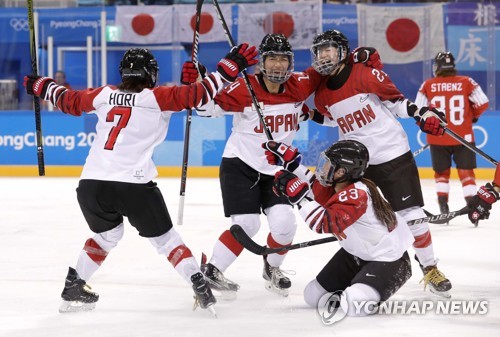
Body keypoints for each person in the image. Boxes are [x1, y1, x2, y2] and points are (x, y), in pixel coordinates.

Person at [23, 45, 258, 314]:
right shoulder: (158, 97)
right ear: (151, 74)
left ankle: (75, 283)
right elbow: (198, 94)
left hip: (91, 185)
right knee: (167, 241)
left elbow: (69, 101)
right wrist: (230, 66)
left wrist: (42, 85)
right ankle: (198, 282)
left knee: (107, 235)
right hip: (134, 186)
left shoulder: (104, 94)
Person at [181, 34, 382, 298]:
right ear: (261, 62)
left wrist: (358, 57)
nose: (278, 65)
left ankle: (271, 268)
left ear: (291, 62)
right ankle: (213, 269)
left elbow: (328, 65)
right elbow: (206, 109)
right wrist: (199, 82)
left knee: (286, 225)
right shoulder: (244, 88)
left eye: (283, 59)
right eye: (272, 59)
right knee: (247, 224)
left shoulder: (301, 83)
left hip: (277, 169)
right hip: (241, 164)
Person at [306, 29, 452, 297]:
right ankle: (370, 262)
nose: (324, 55)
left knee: (414, 220)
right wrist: (309, 114)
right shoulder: (322, 94)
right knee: (369, 223)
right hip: (357, 167)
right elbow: (334, 118)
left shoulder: (365, 73)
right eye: (319, 51)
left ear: (341, 51)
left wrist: (422, 113)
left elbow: (395, 102)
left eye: (329, 49)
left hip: (392, 155)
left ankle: (429, 266)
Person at [263, 139, 414, 316]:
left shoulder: (356, 195)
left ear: (342, 171)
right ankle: (361, 283)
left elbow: (323, 222)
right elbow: (312, 186)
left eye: (329, 164)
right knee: (313, 296)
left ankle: (365, 287)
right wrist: (291, 163)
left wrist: (299, 197)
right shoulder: (340, 187)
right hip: (357, 255)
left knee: (354, 303)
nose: (323, 167)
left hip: (389, 260)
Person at [415, 51, 489, 216]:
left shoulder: (427, 84)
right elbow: (483, 102)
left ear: (438, 67)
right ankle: (471, 206)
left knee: (441, 174)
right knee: (466, 172)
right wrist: (473, 116)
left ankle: (443, 205)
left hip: (437, 137)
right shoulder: (467, 82)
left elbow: (418, 110)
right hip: (464, 137)